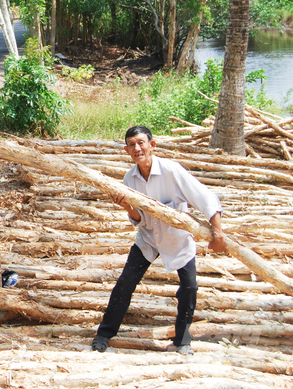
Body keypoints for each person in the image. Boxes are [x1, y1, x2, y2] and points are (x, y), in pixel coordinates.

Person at [91, 125, 227, 355]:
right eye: (132, 145)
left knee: (190, 287)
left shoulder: (172, 171)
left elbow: (205, 197)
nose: (137, 148)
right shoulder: (129, 178)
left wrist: (218, 233)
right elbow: (139, 218)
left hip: (177, 239)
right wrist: (127, 206)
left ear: (152, 145)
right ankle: (104, 334)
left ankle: (182, 340)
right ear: (127, 150)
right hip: (148, 238)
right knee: (125, 283)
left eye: (141, 143)